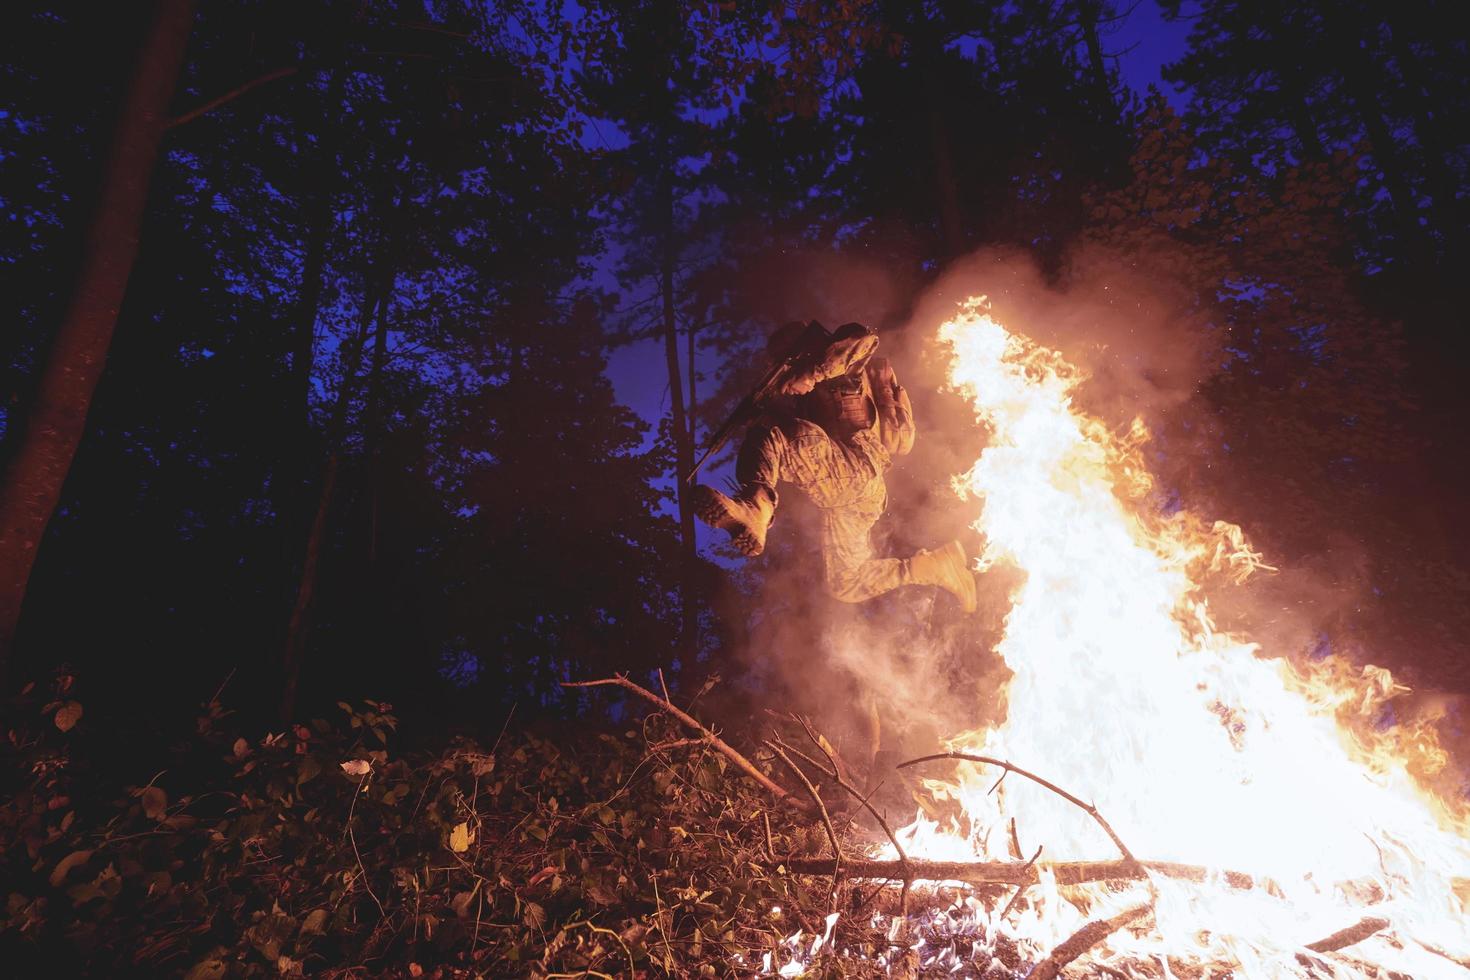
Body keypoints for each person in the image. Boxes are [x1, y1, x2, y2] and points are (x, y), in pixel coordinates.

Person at [692, 321, 976, 612]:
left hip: (860, 468)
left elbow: (866, 339)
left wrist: (812, 373)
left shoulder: (840, 364)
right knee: (846, 582)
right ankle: (933, 567)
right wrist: (762, 408)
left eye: (784, 358)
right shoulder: (808, 398)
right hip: (857, 496)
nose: (781, 367)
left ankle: (756, 507)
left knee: (776, 435)